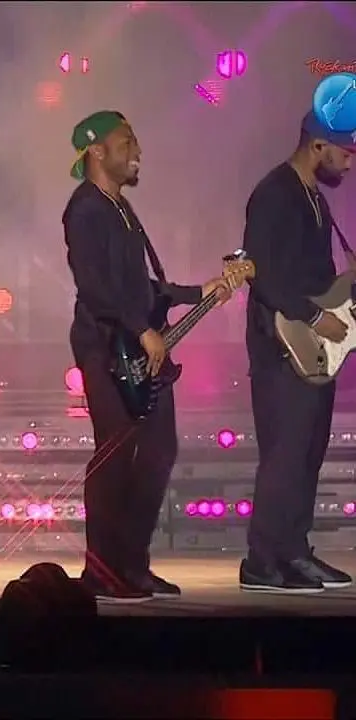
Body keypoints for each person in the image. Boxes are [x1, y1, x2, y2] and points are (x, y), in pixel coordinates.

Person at [62, 110, 236, 603]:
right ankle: (101, 570)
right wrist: (140, 330)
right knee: (115, 454)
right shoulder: (85, 209)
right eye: (127, 143)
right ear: (97, 151)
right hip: (108, 349)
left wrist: (197, 292)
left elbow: (141, 287)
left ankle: (133, 565)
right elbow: (94, 287)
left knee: (159, 452)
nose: (137, 151)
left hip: (140, 349)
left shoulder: (122, 209)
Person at [239, 112, 355, 594]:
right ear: (317, 146)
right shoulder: (275, 193)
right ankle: (261, 561)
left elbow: (318, 279)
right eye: (345, 153)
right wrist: (313, 316)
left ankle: (293, 550)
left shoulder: (315, 199)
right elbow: (262, 273)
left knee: (307, 453)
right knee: (284, 455)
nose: (348, 164)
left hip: (314, 348)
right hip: (281, 345)